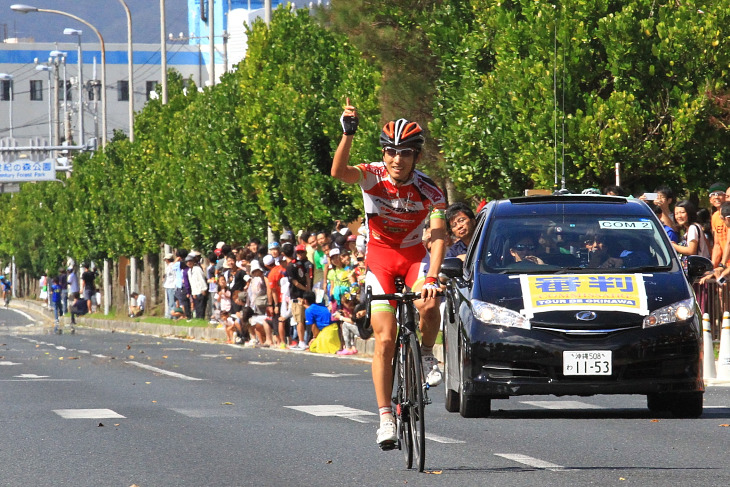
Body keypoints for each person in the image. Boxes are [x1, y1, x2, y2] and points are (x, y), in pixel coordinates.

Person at [331, 100, 447, 449]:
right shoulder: (371, 175)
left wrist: (432, 278)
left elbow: (439, 237)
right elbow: (339, 172)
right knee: (384, 339)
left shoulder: (431, 191)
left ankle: (426, 352)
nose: (398, 160)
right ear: (384, 154)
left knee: (429, 303)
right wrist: (347, 134)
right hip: (380, 260)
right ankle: (385, 417)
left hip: (413, 258)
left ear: (416, 157)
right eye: (391, 152)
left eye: (406, 153)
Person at [672, 200, 711, 270]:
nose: (679, 216)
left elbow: (691, 251)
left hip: (698, 269)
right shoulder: (693, 227)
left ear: (689, 213)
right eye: (676, 213)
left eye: (682, 212)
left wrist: (673, 246)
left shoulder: (693, 228)